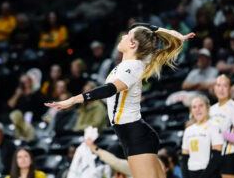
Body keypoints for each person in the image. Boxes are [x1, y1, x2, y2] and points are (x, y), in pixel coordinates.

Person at [46, 23, 195, 178]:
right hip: (134, 135)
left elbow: (109, 89)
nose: (123, 36)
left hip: (135, 135)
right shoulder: (130, 64)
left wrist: (73, 100)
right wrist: (168, 32)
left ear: (132, 44)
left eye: (127, 35)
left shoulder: (132, 66)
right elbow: (138, 25)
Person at [181, 95, 224, 178]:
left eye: (201, 106)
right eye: (194, 107)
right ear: (191, 111)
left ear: (207, 108)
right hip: (192, 173)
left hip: (210, 174)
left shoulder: (214, 127)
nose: (197, 110)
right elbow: (184, 158)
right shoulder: (188, 130)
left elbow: (216, 158)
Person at [209, 75, 234, 178]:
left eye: (225, 85)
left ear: (230, 88)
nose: (221, 89)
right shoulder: (211, 109)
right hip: (213, 157)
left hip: (229, 156)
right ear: (214, 88)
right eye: (218, 85)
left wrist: (220, 133)